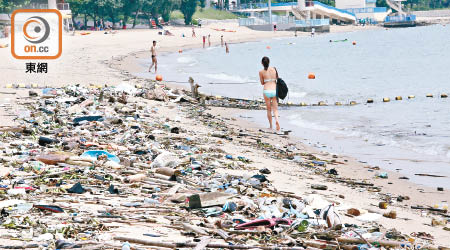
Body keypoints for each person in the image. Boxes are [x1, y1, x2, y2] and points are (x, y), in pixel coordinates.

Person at [259, 56, 280, 131]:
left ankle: (271, 126)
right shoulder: (274, 69)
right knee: (275, 109)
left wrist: (266, 80)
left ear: (262, 63)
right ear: (269, 62)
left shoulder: (261, 72)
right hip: (274, 90)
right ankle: (277, 120)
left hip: (267, 90)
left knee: (268, 109)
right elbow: (277, 78)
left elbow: (262, 83)